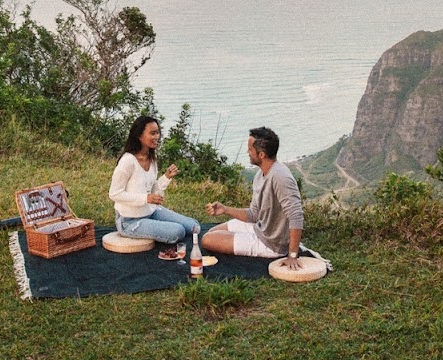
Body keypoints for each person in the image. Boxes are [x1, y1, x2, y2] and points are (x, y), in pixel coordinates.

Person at [203, 126, 304, 268]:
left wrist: (292, 255)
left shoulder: (281, 177)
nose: (247, 152)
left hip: (271, 244)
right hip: (260, 227)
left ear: (261, 154)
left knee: (207, 240)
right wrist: (225, 209)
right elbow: (254, 214)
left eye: (250, 149)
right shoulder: (260, 174)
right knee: (212, 232)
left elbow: (296, 216)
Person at [108, 115, 200, 260]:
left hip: (150, 211)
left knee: (194, 227)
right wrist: (145, 198)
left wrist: (166, 177)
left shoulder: (151, 159)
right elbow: (114, 194)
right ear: (139, 135)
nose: (157, 136)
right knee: (178, 232)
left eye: (158, 132)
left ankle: (155, 225)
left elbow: (152, 190)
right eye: (152, 133)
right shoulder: (127, 161)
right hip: (129, 221)